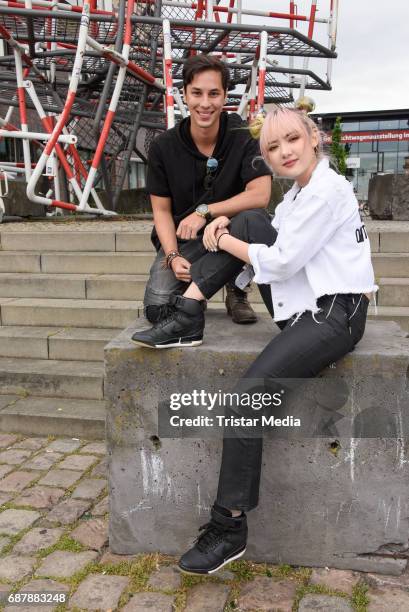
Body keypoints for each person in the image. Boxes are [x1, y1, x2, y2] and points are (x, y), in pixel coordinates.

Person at [132, 105, 377, 574]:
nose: (284, 152)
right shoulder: (297, 196)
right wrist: (228, 228)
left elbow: (281, 263)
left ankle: (229, 525)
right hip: (308, 305)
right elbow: (268, 241)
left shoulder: (327, 191)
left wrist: (217, 238)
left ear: (315, 138)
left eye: (293, 140)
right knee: (245, 220)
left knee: (246, 397)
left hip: (335, 315)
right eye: (272, 146)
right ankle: (190, 312)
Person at [144, 54, 272, 325]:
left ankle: (236, 289)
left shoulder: (244, 134)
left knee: (255, 220)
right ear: (185, 95)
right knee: (157, 310)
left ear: (225, 96)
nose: (205, 103)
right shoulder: (162, 147)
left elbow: (261, 195)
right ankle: (195, 296)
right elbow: (161, 211)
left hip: (233, 231)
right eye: (197, 93)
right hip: (185, 240)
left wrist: (205, 211)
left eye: (214, 93)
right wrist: (172, 255)